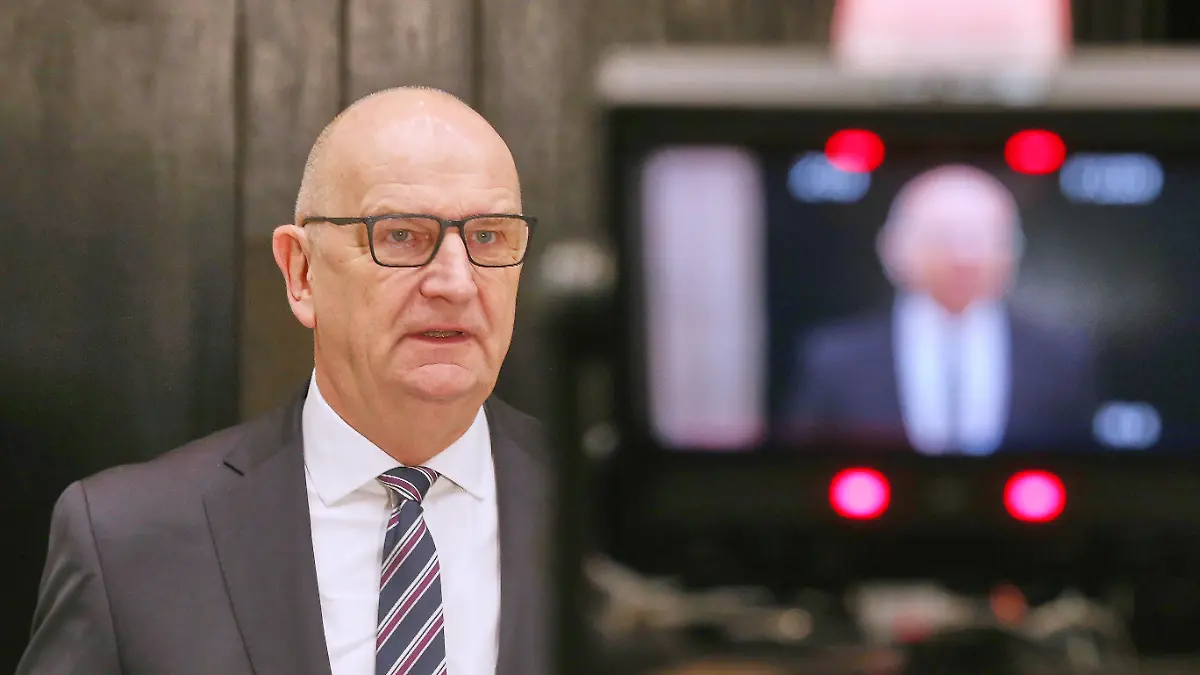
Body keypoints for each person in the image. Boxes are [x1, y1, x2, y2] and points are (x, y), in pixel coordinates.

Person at [17, 87, 551, 675]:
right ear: (301, 273)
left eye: (488, 237)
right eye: (401, 235)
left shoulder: (613, 518)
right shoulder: (127, 539)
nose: (455, 282)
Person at [785, 164, 1098, 454]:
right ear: (894, 247)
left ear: (1013, 250)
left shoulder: (1061, 357)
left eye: (981, 237)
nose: (963, 255)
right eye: (943, 236)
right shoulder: (835, 358)